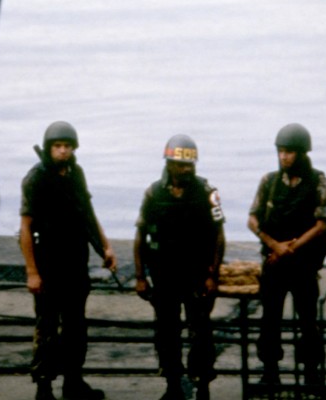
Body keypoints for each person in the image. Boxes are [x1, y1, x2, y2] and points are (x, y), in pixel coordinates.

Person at [19, 121, 117, 400]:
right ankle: (44, 387)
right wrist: (31, 271)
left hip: (76, 259)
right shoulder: (36, 178)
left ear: (74, 148)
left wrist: (105, 247)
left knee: (76, 326)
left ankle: (73, 382)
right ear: (49, 148)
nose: (62, 151)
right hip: (48, 261)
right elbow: (26, 227)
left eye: (67, 146)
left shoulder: (76, 173)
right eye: (57, 146)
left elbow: (87, 212)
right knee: (47, 326)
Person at [133, 134, 226, 400]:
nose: (187, 169)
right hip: (164, 276)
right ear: (169, 163)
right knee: (166, 333)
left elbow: (219, 236)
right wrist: (140, 276)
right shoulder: (153, 193)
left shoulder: (208, 193)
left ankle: (203, 385)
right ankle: (173, 384)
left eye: (190, 165)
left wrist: (213, 275)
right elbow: (140, 235)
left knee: (201, 333)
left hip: (197, 275)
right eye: (181, 164)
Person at [247, 123, 326, 388]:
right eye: (281, 152)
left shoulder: (319, 181)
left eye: (289, 152)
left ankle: (311, 374)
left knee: (308, 320)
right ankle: (270, 372)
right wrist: (274, 245)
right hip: (274, 263)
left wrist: (290, 248)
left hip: (304, 264)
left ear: (302, 153)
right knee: (269, 319)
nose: (284, 157)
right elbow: (252, 219)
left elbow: (322, 224)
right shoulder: (269, 182)